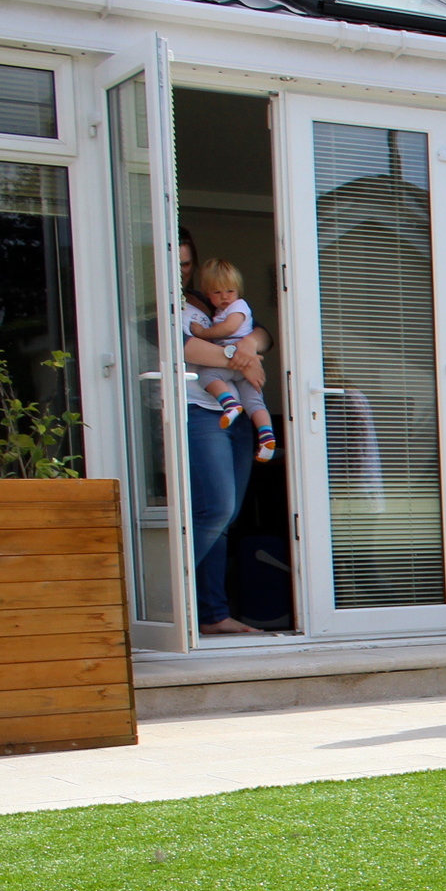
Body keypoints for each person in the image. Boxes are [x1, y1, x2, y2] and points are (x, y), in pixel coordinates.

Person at [175, 229, 266, 634]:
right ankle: (168, 600)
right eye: (174, 263)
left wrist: (249, 342)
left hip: (236, 415)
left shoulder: (207, 300)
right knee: (216, 510)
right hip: (200, 411)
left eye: (186, 263)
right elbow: (188, 349)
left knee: (225, 516)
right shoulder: (154, 302)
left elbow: (263, 332)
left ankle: (212, 614)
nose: (180, 271)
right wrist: (242, 357)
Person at [185, 259, 276, 461]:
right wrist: (247, 362)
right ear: (208, 294)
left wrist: (203, 332)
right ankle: (266, 437)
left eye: (229, 291)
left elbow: (228, 329)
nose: (225, 297)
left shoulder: (238, 307)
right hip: (245, 364)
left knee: (206, 374)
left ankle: (231, 405)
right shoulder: (221, 309)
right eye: (217, 293)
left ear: (238, 291)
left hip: (236, 355)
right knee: (254, 401)